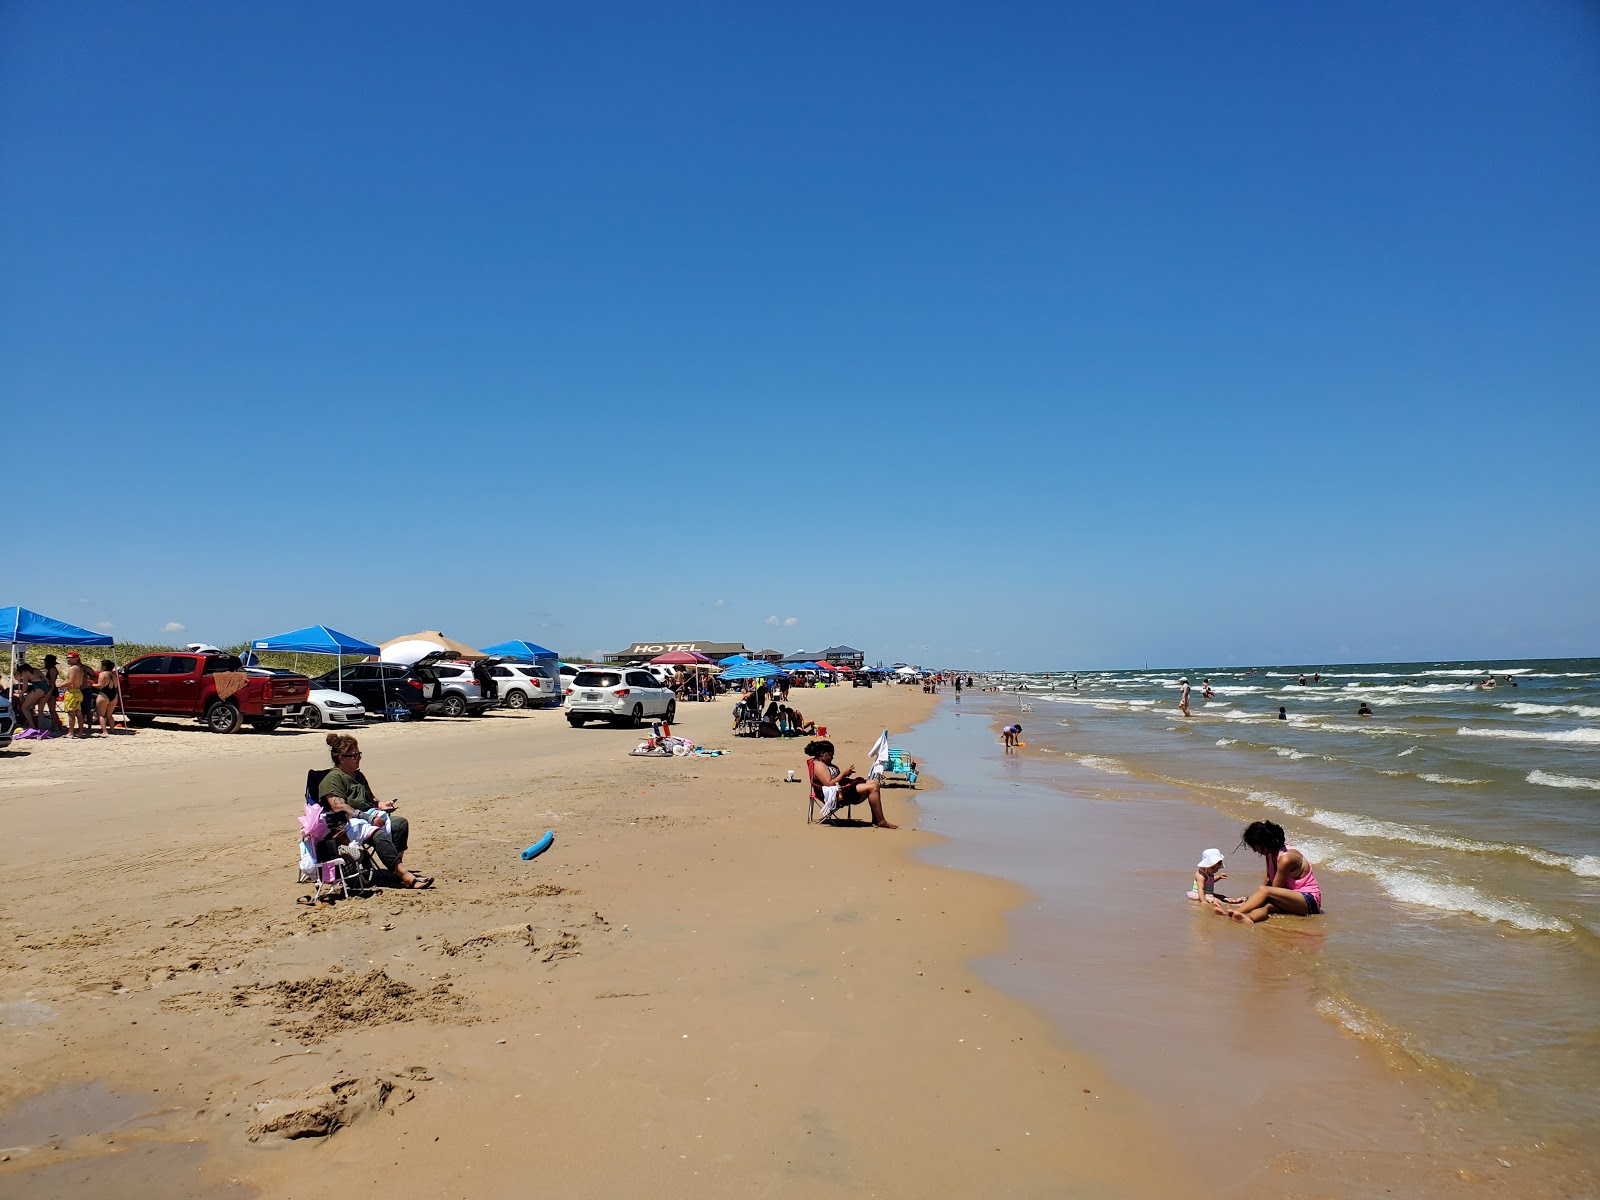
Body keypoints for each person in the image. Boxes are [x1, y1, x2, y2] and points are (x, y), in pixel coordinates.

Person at [317, 733, 433, 888]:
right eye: (354, 755)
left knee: (400, 824)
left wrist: (382, 805)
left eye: (359, 754)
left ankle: (395, 868)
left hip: (366, 817)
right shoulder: (333, 779)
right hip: (345, 825)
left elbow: (371, 800)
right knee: (377, 833)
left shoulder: (358, 776)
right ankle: (405, 875)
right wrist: (369, 818)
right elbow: (338, 806)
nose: (359, 758)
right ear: (341, 758)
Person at [1211, 820, 1321, 924]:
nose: (1254, 850)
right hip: (1292, 899)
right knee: (1267, 907)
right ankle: (1248, 918)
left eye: (1255, 846)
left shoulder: (1286, 858)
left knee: (1265, 894)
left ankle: (1232, 913)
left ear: (1264, 843)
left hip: (1309, 900)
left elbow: (1273, 889)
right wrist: (1252, 900)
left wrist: (1249, 901)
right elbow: (1268, 880)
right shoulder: (1269, 854)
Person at [805, 739, 896, 828]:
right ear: (822, 753)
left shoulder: (823, 763)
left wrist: (844, 775)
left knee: (875, 783)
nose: (832, 757)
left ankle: (875, 819)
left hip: (839, 787)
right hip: (835, 794)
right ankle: (881, 821)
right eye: (831, 755)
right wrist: (843, 774)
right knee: (873, 788)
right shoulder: (819, 765)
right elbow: (829, 784)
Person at [62, 652, 90, 738]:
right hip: (78, 691)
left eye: (71, 658)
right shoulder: (80, 668)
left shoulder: (73, 668)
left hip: (72, 692)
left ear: (77, 658)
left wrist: (59, 685)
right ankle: (80, 731)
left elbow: (70, 681)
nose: (68, 659)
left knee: (71, 713)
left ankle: (71, 732)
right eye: (67, 658)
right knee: (78, 713)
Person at [93, 660, 119, 735]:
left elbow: (100, 685)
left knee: (101, 714)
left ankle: (104, 731)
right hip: (114, 694)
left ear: (104, 666)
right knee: (109, 715)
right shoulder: (115, 675)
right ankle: (112, 730)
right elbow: (116, 686)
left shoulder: (103, 674)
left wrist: (91, 684)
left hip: (104, 694)